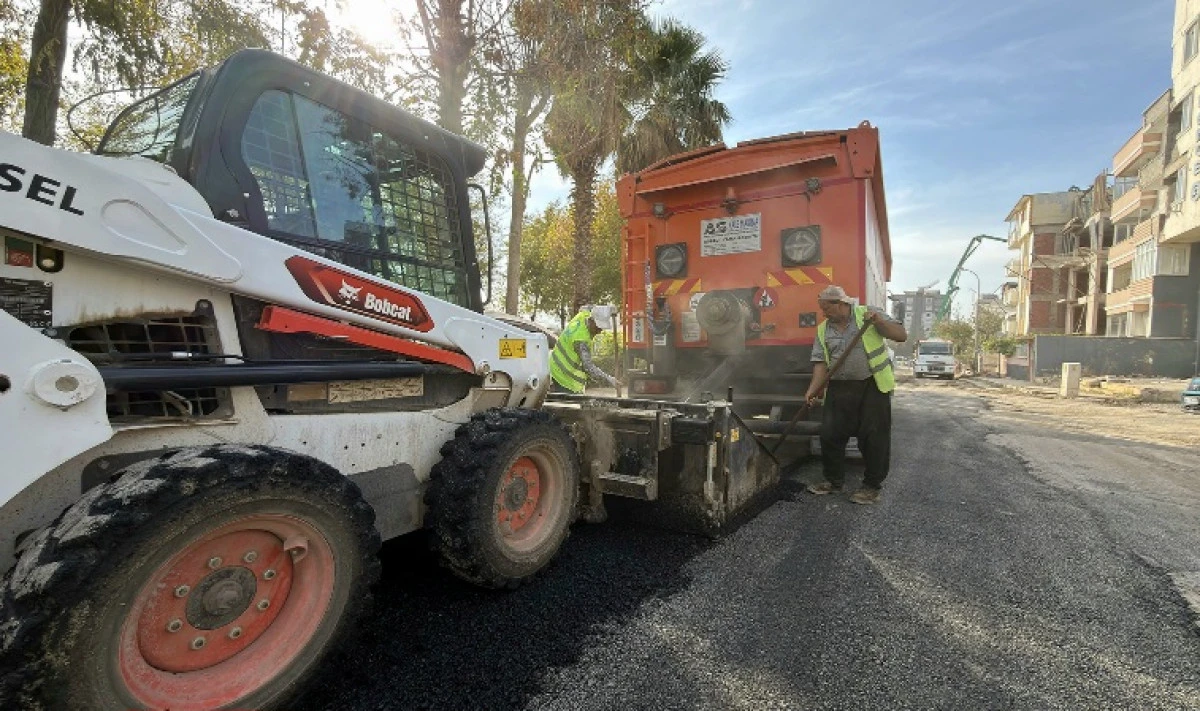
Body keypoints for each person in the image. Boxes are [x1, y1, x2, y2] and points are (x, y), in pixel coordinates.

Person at [803, 285, 907, 504]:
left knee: (873, 438)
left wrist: (878, 322)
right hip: (839, 388)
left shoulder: (868, 314)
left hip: (872, 386)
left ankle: (871, 487)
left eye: (826, 308)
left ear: (841, 304)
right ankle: (833, 481)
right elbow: (821, 364)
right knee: (830, 434)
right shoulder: (824, 330)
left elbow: (901, 335)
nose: (823, 313)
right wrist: (813, 390)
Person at [550, 305, 623, 394]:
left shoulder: (583, 315)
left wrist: (608, 309)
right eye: (598, 327)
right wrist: (610, 379)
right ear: (592, 321)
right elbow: (588, 367)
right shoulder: (581, 340)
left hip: (555, 365)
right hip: (563, 377)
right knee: (570, 406)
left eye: (601, 328)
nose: (599, 331)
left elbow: (586, 307)